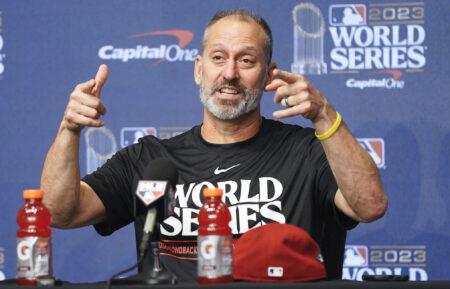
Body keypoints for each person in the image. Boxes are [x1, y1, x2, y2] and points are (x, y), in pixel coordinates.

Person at [41, 9, 387, 282]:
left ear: (269, 75)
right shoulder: (150, 159)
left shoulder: (308, 152)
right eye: (218, 58)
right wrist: (69, 129)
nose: (230, 73)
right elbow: (59, 212)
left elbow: (369, 205)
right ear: (198, 70)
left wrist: (325, 115)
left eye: (246, 60)